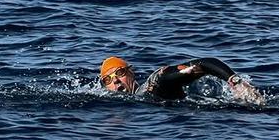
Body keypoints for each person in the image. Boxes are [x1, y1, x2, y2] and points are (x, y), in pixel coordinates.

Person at [99, 55, 264, 103]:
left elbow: (205, 63)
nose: (115, 81)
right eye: (107, 80)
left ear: (131, 73)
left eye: (119, 73)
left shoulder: (155, 83)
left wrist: (236, 83)